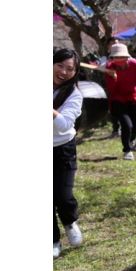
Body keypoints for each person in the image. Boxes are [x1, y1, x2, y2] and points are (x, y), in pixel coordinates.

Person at [53, 47, 84, 258]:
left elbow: (63, 125)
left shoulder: (74, 94)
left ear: (75, 72)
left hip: (62, 148)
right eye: (60, 65)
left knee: (63, 196)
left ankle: (70, 220)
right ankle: (53, 240)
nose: (63, 71)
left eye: (69, 69)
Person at [103, 43, 136, 160]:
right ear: (112, 58)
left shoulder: (135, 65)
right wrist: (113, 77)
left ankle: (132, 140)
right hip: (118, 99)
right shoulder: (109, 67)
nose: (119, 60)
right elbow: (111, 89)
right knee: (126, 125)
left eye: (121, 57)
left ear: (127, 56)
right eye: (116, 57)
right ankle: (127, 150)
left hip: (134, 98)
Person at [99, 36, 122, 139]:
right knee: (114, 109)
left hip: (125, 86)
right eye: (112, 44)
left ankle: (126, 128)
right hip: (112, 87)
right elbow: (102, 68)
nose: (115, 46)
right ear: (108, 46)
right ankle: (116, 129)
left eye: (117, 43)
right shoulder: (105, 58)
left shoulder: (125, 56)